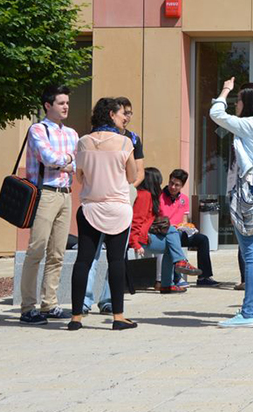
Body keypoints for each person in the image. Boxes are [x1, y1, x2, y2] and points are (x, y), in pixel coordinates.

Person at [67, 97, 141, 331]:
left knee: (83, 261)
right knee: (116, 261)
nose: (124, 117)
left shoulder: (83, 142)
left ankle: (76, 317)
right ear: (111, 114)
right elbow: (132, 176)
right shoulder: (124, 142)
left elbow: (80, 176)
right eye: (121, 113)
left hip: (90, 208)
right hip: (118, 209)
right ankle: (118, 317)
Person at [210, 78, 253, 328]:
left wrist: (224, 89)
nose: (234, 104)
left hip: (247, 193)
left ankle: (248, 312)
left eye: (237, 100)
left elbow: (216, 113)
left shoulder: (249, 124)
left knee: (251, 254)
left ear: (247, 103)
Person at [19, 85, 78, 325]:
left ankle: (49, 304)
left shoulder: (72, 133)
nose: (66, 107)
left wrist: (67, 163)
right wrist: (68, 161)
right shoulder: (37, 129)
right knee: (36, 250)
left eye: (67, 103)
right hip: (44, 193)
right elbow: (49, 158)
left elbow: (79, 162)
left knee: (57, 253)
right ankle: (27, 307)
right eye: (61, 103)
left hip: (65, 194)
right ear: (47, 105)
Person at [129, 167, 201, 293]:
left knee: (171, 242)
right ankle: (178, 265)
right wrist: (135, 243)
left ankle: (168, 283)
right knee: (172, 233)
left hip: (146, 235)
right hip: (140, 238)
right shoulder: (144, 196)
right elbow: (136, 221)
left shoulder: (149, 196)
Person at [160, 169, 219, 286]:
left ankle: (204, 277)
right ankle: (177, 277)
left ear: (182, 186)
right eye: (171, 183)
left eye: (177, 185)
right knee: (175, 236)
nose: (173, 187)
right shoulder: (159, 197)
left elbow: (184, 220)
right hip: (166, 233)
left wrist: (188, 228)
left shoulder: (184, 199)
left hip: (179, 232)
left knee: (203, 239)